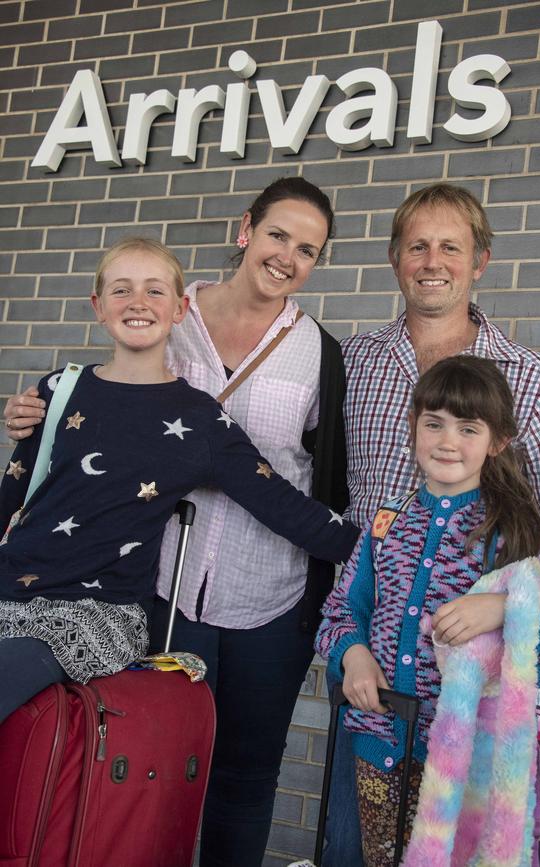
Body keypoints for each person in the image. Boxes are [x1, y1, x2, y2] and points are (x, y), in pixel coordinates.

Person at [2, 177, 349, 867]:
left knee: (241, 775)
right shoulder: (78, 375)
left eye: (306, 248)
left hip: (165, 605)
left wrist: (381, 547)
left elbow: (289, 497)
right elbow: (20, 487)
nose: (287, 254)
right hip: (118, 591)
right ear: (246, 229)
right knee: (136, 770)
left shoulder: (280, 373)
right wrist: (28, 413)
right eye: (278, 234)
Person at [324, 182, 540, 866]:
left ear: (481, 261)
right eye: (417, 245)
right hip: (374, 684)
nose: (432, 260)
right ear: (393, 259)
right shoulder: (350, 364)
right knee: (356, 846)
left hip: (475, 710)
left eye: (451, 246)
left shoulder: (529, 381)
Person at [0, 236, 358, 726]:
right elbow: (12, 495)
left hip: (98, 615)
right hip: (9, 596)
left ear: (180, 309)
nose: (138, 303)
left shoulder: (200, 422)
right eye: (121, 290)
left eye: (154, 291)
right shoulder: (58, 389)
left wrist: (383, 548)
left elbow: (283, 505)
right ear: (98, 306)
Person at [315, 355, 540, 867]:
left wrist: (507, 608)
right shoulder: (386, 523)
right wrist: (352, 656)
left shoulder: (518, 536)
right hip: (378, 749)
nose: (447, 441)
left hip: (467, 768)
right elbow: (339, 615)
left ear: (497, 441)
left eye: (468, 428)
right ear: (412, 424)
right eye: (434, 423)